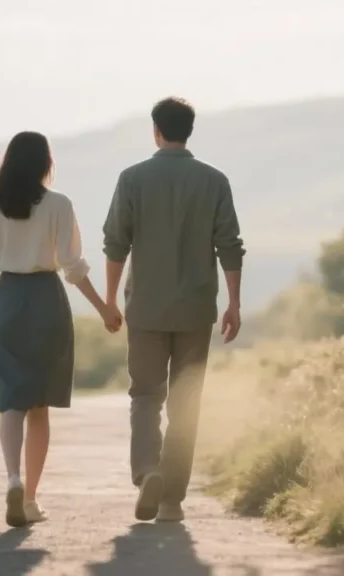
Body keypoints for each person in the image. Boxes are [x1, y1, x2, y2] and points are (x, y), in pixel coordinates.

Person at [102, 97, 246, 523]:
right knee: (186, 401)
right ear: (189, 130)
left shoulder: (132, 179)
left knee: (146, 396)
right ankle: (171, 500)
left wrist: (110, 299)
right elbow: (230, 246)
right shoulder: (214, 180)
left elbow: (115, 243)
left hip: (146, 309)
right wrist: (234, 303)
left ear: (156, 131)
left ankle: (149, 470)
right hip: (196, 310)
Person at [0, 131, 123, 528]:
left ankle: (12, 479)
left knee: (11, 401)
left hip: (6, 301)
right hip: (45, 302)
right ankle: (31, 500)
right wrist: (104, 309)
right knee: (39, 407)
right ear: (45, 164)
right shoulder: (59, 205)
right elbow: (74, 267)